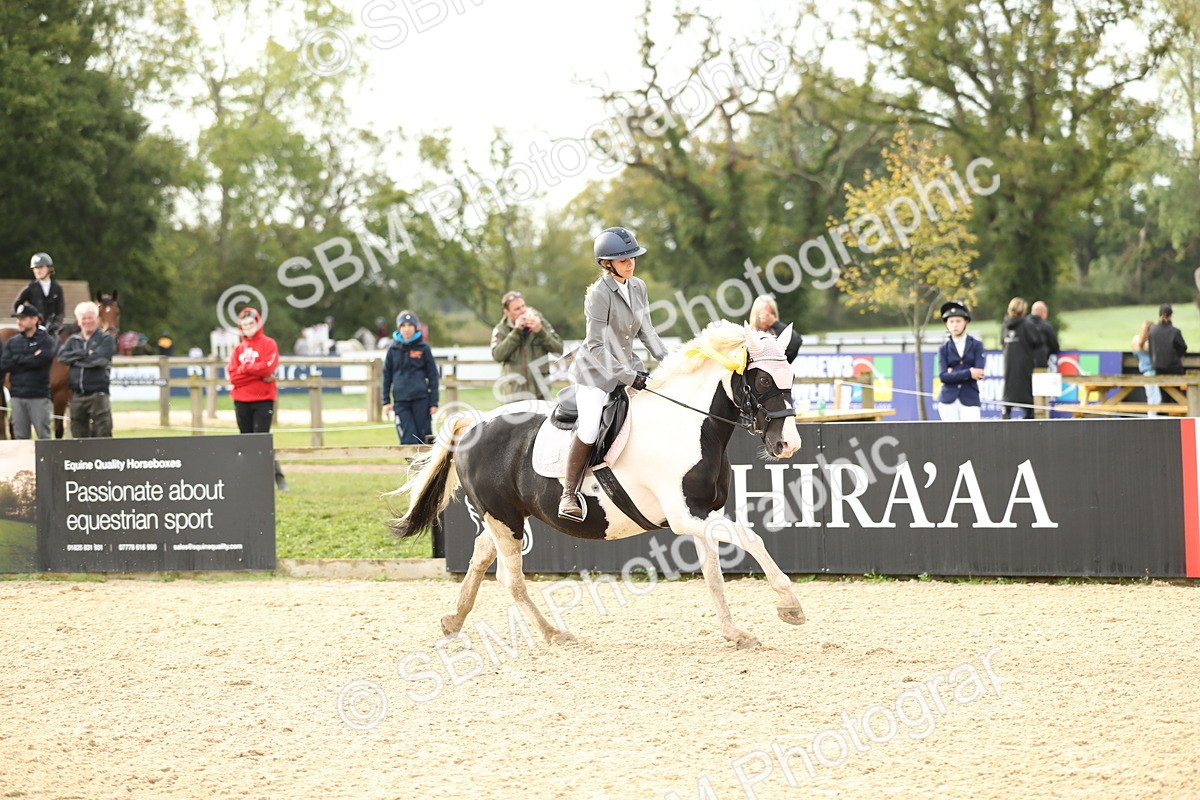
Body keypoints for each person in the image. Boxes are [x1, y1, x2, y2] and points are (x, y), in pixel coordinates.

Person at [561, 226, 669, 520]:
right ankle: (568, 494)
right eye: (623, 260)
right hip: (595, 372)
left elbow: (647, 331)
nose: (630, 263)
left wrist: (671, 361)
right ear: (607, 264)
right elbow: (596, 345)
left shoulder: (639, 286)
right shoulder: (599, 294)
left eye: (633, 258)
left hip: (628, 366)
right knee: (590, 427)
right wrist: (627, 376)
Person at [227, 307, 287, 491]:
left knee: (261, 441)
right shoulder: (237, 349)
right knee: (246, 442)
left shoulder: (269, 344)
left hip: (263, 399)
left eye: (250, 324)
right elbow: (233, 376)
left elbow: (268, 368)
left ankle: (276, 478)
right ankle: (249, 481)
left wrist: (245, 370)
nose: (247, 328)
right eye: (243, 325)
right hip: (241, 400)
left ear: (258, 323)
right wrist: (255, 373)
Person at [491, 290, 564, 402]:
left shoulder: (540, 322)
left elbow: (559, 349)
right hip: (513, 397)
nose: (522, 311)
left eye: (523, 306)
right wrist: (516, 332)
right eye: (517, 309)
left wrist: (540, 331)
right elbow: (497, 355)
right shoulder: (501, 329)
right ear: (507, 313)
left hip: (540, 396)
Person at [57, 301, 116, 438]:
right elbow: (62, 357)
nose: (87, 321)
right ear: (78, 321)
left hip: (98, 395)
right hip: (77, 396)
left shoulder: (106, 339)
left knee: (103, 434)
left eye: (90, 317)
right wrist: (83, 354)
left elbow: (100, 361)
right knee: (78, 437)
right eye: (84, 318)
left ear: (97, 319)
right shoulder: (73, 340)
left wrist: (75, 361)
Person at [382, 310, 439, 445]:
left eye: (410, 325)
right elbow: (386, 376)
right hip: (401, 402)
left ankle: (427, 467)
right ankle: (412, 466)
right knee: (408, 439)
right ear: (399, 328)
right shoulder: (392, 349)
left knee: (424, 438)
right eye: (403, 326)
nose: (406, 329)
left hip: (421, 400)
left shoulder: (424, 348)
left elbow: (433, 376)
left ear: (415, 327)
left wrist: (434, 402)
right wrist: (385, 402)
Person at [1, 303, 56, 439]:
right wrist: (30, 358)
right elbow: (5, 364)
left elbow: (42, 360)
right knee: (20, 438)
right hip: (17, 396)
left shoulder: (46, 341)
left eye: (23, 318)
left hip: (39, 396)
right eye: (18, 319)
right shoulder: (13, 342)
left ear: (35, 320)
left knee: (44, 436)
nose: (19, 322)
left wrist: (18, 360)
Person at [935, 301, 986, 421]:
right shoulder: (943, 348)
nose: (954, 325)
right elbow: (943, 376)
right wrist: (968, 372)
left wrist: (953, 373)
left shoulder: (976, 345)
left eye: (958, 321)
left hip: (970, 398)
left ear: (966, 322)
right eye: (951, 321)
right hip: (948, 400)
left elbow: (978, 373)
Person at [1000, 296, 1043, 420]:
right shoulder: (1027, 325)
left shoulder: (1005, 325)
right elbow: (1037, 341)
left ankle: (1005, 420)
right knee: (1027, 403)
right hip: (1024, 367)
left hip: (1009, 366)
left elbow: (1002, 343)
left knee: (1008, 399)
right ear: (1023, 310)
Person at [13, 252, 65, 337]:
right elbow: (17, 304)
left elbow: (60, 310)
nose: (38, 270)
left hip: (52, 329)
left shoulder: (57, 288)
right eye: (35, 268)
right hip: (35, 328)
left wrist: (56, 324)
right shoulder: (31, 287)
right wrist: (26, 318)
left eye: (41, 267)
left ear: (48, 268)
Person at [748, 294, 802, 363]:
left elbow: (796, 342)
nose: (767, 318)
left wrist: (775, 324)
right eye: (764, 314)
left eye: (770, 314)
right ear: (756, 314)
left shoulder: (777, 336)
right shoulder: (748, 335)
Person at [1149, 303, 1187, 375]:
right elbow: (1183, 347)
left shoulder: (1152, 331)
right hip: (1174, 368)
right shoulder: (1175, 331)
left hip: (1158, 368)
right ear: (1171, 316)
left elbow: (1151, 349)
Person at [1132, 320, 1161, 414]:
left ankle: (1152, 418)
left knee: (1152, 399)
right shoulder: (1150, 344)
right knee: (1155, 400)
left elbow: (1135, 354)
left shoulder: (1137, 341)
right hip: (1152, 372)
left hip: (1145, 372)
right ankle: (1152, 419)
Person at [1028, 300, 1060, 370]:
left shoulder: (1023, 326)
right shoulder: (1046, 326)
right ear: (1044, 313)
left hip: (1024, 365)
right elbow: (1055, 346)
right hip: (1040, 364)